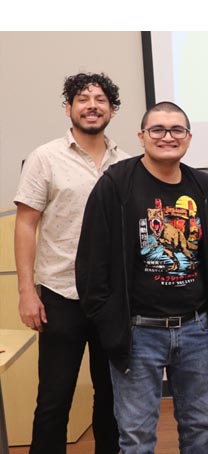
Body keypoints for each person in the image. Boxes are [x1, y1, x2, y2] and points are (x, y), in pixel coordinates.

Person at [76, 101, 208, 453]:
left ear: (189, 138)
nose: (168, 137)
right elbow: (91, 261)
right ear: (142, 136)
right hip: (137, 332)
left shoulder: (204, 187)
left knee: (200, 429)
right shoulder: (116, 184)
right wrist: (108, 321)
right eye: (158, 130)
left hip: (197, 329)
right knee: (136, 435)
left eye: (177, 130)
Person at [14, 72, 127, 454]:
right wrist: (27, 292)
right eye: (82, 98)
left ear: (112, 110)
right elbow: (26, 225)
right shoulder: (45, 157)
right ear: (68, 108)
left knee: (112, 400)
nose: (92, 105)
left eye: (100, 99)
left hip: (113, 299)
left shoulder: (127, 163)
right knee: (54, 400)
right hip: (60, 294)